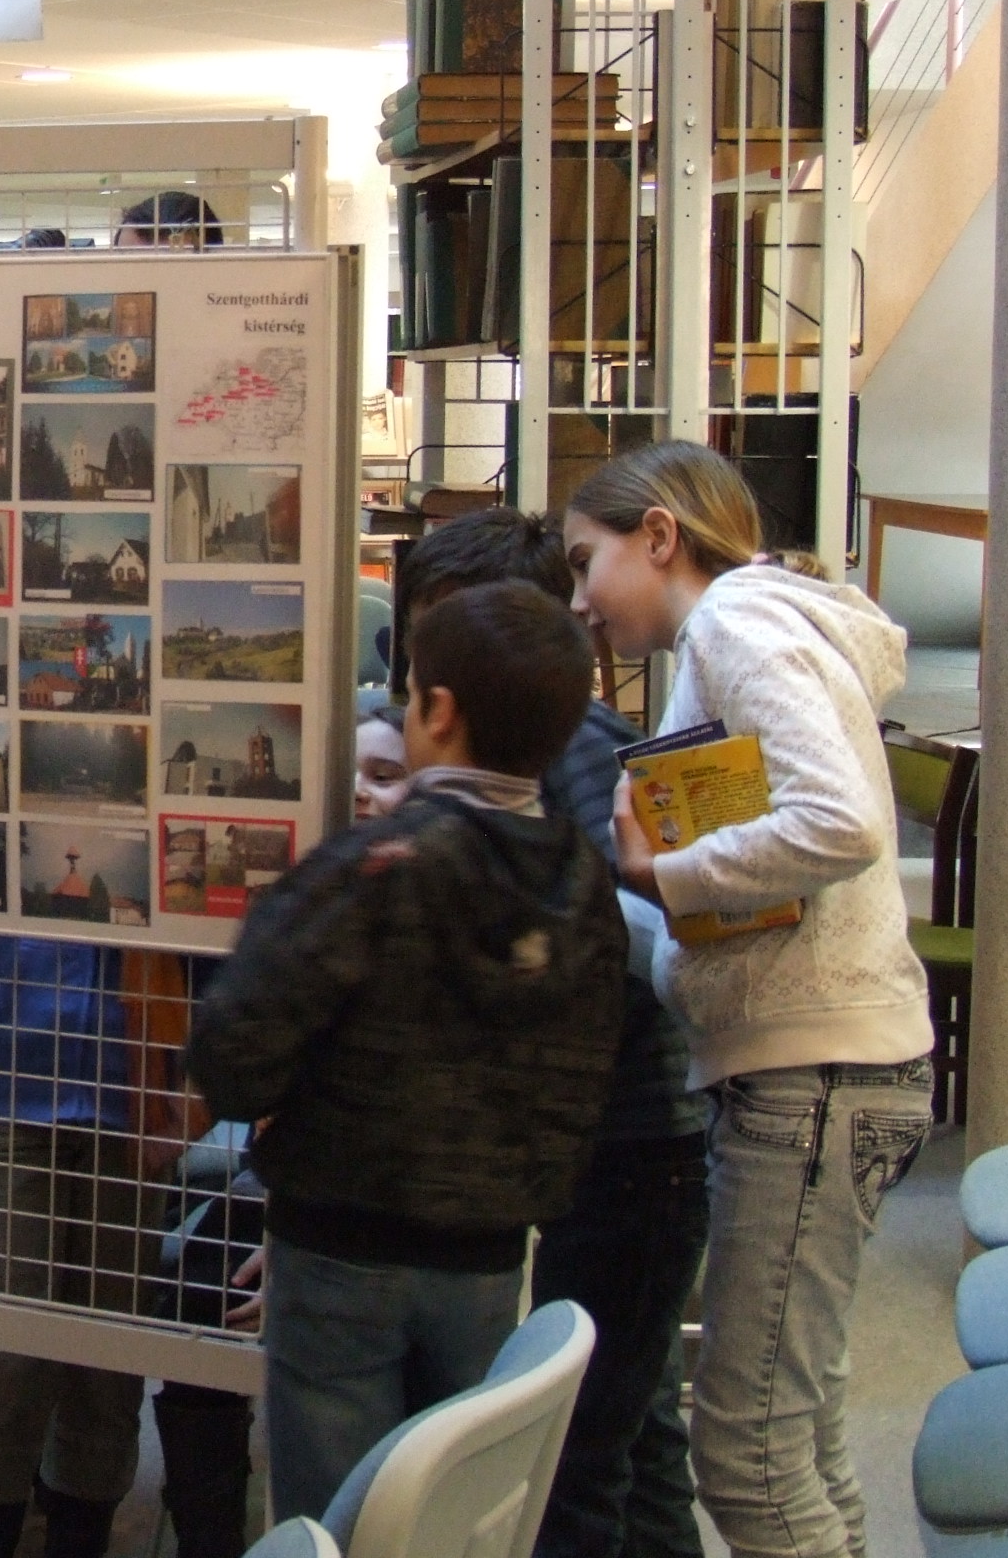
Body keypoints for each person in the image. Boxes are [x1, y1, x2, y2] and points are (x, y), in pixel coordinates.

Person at [191, 581, 628, 1524]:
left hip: (339, 1246)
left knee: (335, 1518)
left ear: (437, 711)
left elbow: (235, 1045)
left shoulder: (372, 868)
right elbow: (597, 1066)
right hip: (492, 1256)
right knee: (450, 1511)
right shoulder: (587, 885)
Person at [565, 442, 933, 1558]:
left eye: (585, 563)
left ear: (659, 536)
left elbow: (838, 823)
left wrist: (664, 877)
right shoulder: (742, 631)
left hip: (813, 1074)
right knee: (801, 1437)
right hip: (821, 1068)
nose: (579, 602)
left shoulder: (735, 622)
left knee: (748, 1458)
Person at [388, 508, 709, 1558]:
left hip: (634, 1137)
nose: (435, 677)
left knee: (584, 1451)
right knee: (636, 1428)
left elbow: (636, 946)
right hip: (603, 1138)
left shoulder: (582, 753)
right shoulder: (500, 756)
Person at [0, 936, 192, 1558]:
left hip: (136, 1097)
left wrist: (196, 1097)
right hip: (11, 1082)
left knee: (105, 1371)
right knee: (4, 1360)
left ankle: (74, 1537)